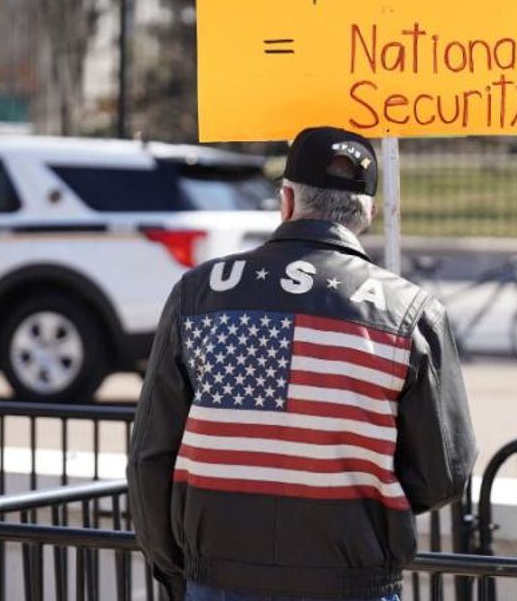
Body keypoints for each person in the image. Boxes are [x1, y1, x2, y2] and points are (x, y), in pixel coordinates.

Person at [127, 127, 477, 601]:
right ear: (368, 214)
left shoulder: (200, 292)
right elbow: (446, 473)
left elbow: (151, 454)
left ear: (286, 200)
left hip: (218, 578)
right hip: (353, 581)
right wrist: (361, 504)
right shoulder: (408, 312)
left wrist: (177, 573)